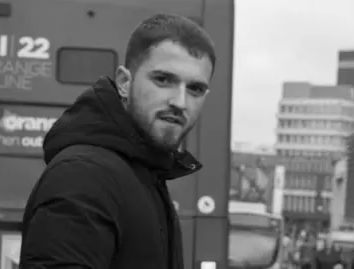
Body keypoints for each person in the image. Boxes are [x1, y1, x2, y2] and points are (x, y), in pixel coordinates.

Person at [19, 13, 216, 269]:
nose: (180, 102)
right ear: (124, 82)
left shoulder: (145, 173)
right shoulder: (83, 175)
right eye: (163, 80)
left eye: (195, 89)